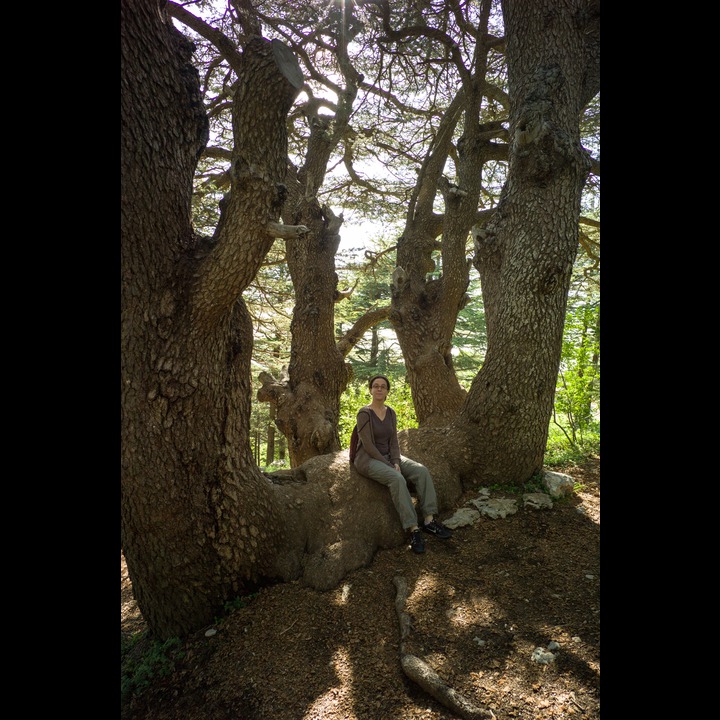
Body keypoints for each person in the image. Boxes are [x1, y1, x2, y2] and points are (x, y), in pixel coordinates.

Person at [352, 374, 452, 554]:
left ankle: (429, 520)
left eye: (383, 386)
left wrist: (396, 460)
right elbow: (367, 445)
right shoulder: (364, 413)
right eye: (376, 386)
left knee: (421, 471)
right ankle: (413, 529)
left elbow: (393, 442)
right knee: (397, 478)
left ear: (388, 391)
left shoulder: (390, 413)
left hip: (389, 456)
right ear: (371, 390)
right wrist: (389, 464)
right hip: (367, 459)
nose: (379, 389)